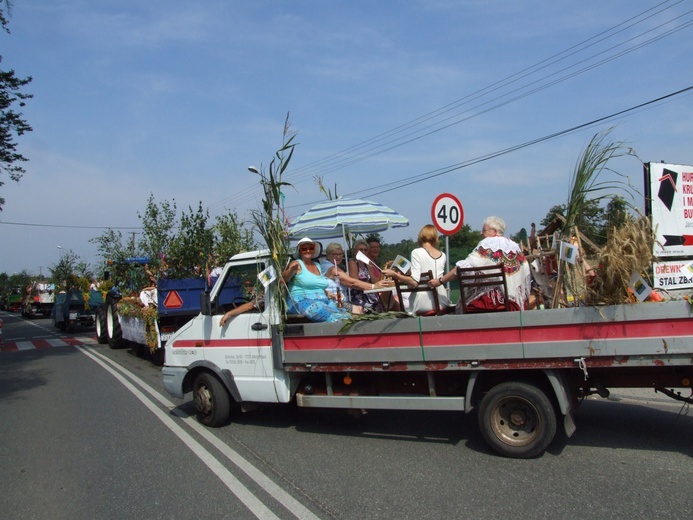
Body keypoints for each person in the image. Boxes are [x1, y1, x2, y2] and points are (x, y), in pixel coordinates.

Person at [430, 216, 532, 312]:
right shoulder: (515, 247)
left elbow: (462, 268)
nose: (481, 233)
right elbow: (525, 269)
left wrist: (440, 281)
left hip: (491, 301)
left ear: (494, 231)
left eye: (484, 230)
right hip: (514, 303)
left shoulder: (487, 244)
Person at [383, 225, 450, 314]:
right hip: (442, 301)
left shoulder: (416, 252)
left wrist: (394, 274)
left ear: (421, 236)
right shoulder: (443, 255)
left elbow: (414, 281)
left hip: (422, 303)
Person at [282, 237, 351, 323]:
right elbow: (284, 278)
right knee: (330, 315)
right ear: (300, 251)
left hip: (322, 300)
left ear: (314, 250)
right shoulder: (296, 263)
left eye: (311, 248)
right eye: (304, 249)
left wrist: (332, 295)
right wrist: (291, 270)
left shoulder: (317, 265)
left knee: (345, 314)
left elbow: (318, 286)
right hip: (300, 301)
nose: (308, 251)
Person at [321, 242, 388, 311]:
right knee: (362, 310)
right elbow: (351, 282)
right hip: (335, 302)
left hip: (343, 300)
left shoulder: (330, 265)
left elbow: (373, 279)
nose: (338, 257)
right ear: (328, 255)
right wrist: (373, 286)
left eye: (340, 254)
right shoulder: (331, 268)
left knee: (387, 303)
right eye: (334, 254)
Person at [347, 239, 381, 311]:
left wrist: (384, 278)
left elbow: (373, 279)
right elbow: (355, 282)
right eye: (361, 250)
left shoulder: (366, 263)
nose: (363, 252)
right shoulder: (352, 262)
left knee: (384, 303)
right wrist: (371, 286)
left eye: (365, 250)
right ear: (355, 251)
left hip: (369, 293)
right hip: (358, 295)